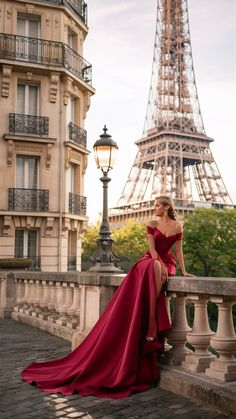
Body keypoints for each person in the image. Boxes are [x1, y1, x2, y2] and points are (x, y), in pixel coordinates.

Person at [22, 195, 192, 398]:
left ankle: (152, 322)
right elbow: (152, 250)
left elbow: (178, 251)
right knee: (154, 265)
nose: (153, 208)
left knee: (157, 267)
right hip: (151, 262)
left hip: (166, 264)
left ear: (165, 207)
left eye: (156, 205)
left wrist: (183, 270)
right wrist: (160, 263)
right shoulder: (151, 223)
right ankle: (152, 321)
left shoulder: (178, 226)